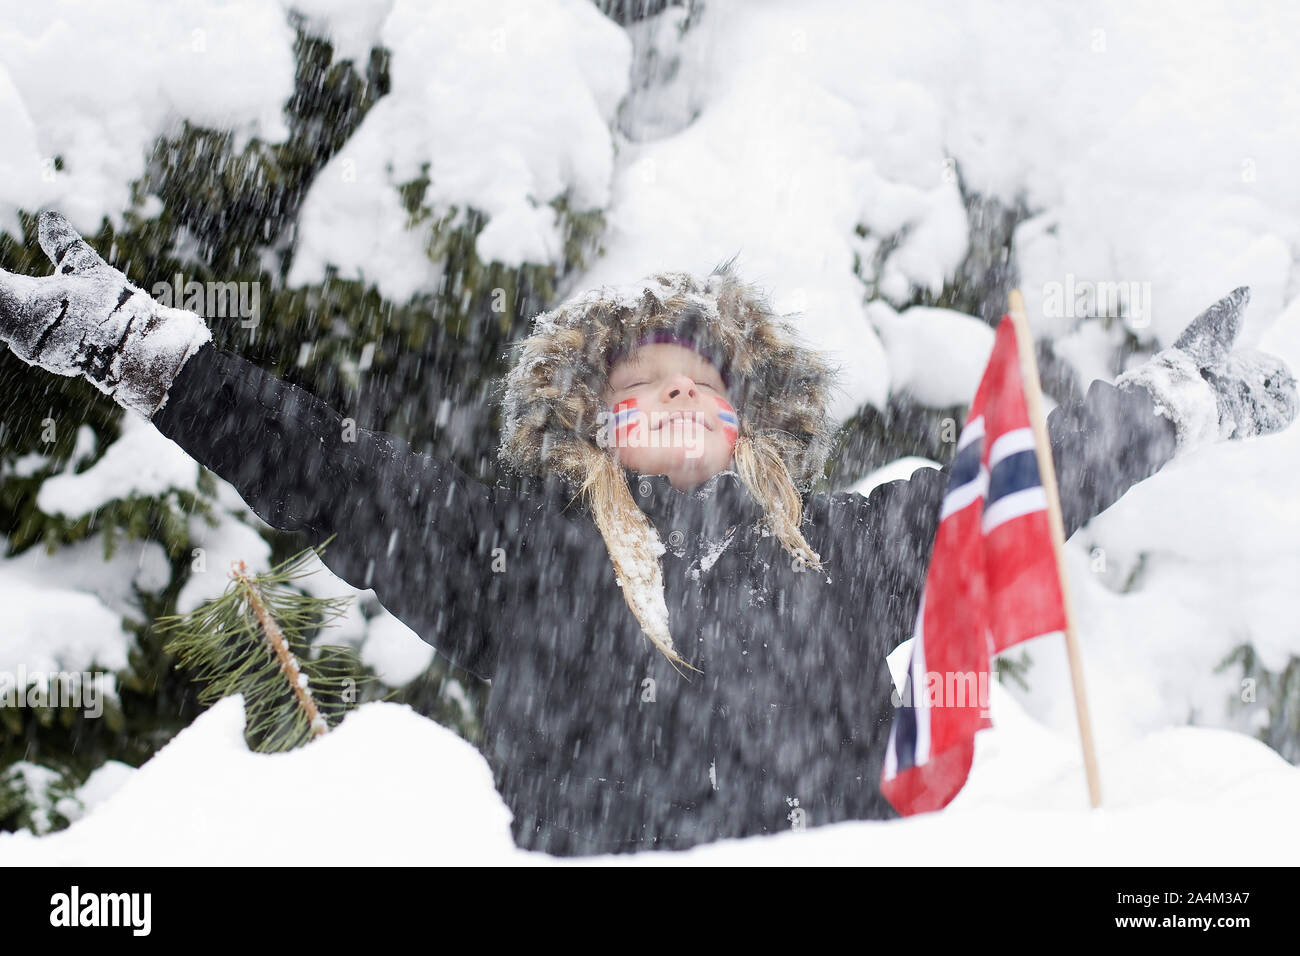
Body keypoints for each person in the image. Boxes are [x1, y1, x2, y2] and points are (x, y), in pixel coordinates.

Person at [1, 211, 1295, 855]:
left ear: (741, 425)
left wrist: (1170, 402)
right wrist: (152, 356)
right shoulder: (507, 557)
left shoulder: (837, 554)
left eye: (702, 385)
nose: (681, 393)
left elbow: (1018, 480)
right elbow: (330, 476)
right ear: (597, 433)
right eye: (643, 388)